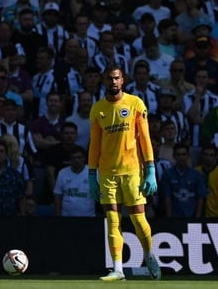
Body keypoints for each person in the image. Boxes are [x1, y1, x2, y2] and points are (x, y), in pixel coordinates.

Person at [87, 64, 160, 281]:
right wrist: (92, 174)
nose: (113, 82)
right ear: (104, 80)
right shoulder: (97, 109)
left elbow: (145, 138)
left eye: (117, 78)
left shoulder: (135, 104)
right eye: (109, 78)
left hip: (132, 172)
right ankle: (118, 269)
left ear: (123, 80)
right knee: (112, 220)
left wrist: (151, 169)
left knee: (139, 221)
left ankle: (149, 256)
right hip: (108, 173)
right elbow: (94, 145)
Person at [161, 143, 206, 218]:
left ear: (188, 156)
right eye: (178, 155)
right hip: (174, 218)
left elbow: (200, 198)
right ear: (174, 156)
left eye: (184, 154)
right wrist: (169, 219)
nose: (181, 157)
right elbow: (167, 197)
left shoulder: (197, 175)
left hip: (192, 217)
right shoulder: (167, 174)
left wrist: (197, 218)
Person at [53, 145, 95, 217]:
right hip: (67, 218)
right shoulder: (62, 173)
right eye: (73, 158)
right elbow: (57, 195)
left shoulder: (93, 173)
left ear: (84, 158)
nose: (76, 160)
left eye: (79, 157)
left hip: (88, 217)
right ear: (70, 160)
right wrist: (57, 215)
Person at [195, 144, 218, 218]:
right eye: (206, 154)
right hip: (198, 215)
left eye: (211, 155)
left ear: (215, 157)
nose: (208, 157)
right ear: (202, 155)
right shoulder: (195, 172)